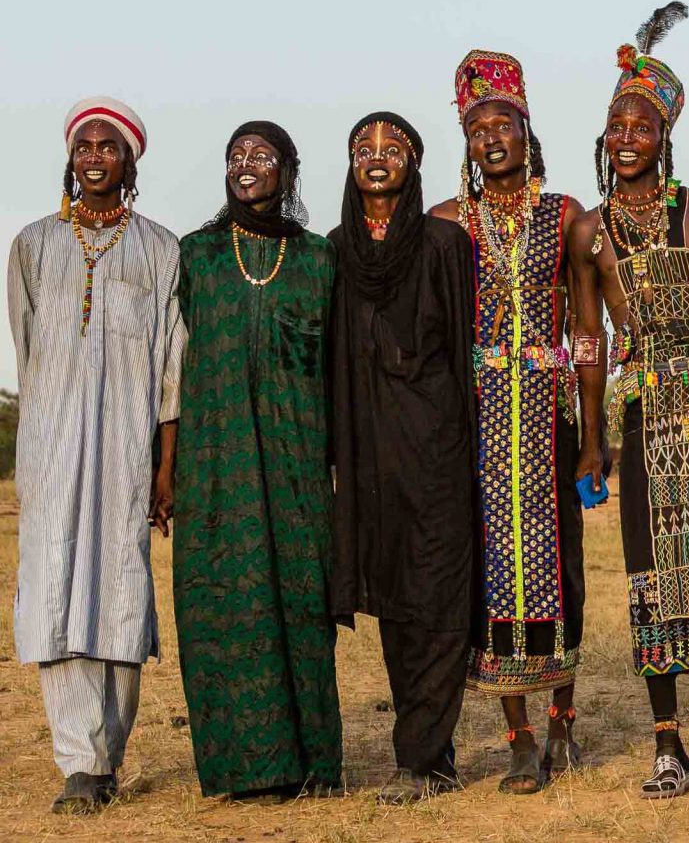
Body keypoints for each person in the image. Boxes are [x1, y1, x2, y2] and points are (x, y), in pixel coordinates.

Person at [582, 4, 689, 798]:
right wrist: (592, 439)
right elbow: (589, 343)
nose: (627, 137)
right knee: (652, 570)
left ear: (666, 137)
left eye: (642, 125)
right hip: (641, 411)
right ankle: (664, 742)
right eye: (616, 124)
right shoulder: (590, 234)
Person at [430, 50, 607, 794]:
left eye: (504, 123)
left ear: (527, 133)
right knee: (490, 575)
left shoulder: (566, 216)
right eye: (478, 128)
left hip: (550, 414)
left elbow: (590, 328)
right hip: (476, 420)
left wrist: (595, 438)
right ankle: (519, 738)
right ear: (467, 143)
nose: (492, 137)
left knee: (559, 567)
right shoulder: (445, 222)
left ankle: (563, 715)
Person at [9, 99, 182, 814]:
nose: (94, 156)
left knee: (118, 589)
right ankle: (78, 762)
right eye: (84, 144)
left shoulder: (161, 248)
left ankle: (107, 753)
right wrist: (50, 424)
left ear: (130, 161)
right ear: (70, 157)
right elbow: (27, 347)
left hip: (127, 452)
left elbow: (173, 366)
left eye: (108, 146)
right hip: (51, 446)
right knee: (55, 588)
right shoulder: (32, 243)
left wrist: (165, 467)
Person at [174, 121, 342, 799]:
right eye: (236, 156)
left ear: (289, 172)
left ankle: (314, 766)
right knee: (225, 604)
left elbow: (334, 366)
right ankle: (244, 770)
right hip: (215, 463)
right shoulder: (197, 254)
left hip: (299, 463)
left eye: (263, 156)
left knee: (301, 603)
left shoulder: (317, 259)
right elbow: (169, 363)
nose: (248, 166)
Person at [328, 111, 477, 804]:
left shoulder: (446, 244)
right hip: (369, 453)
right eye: (365, 148)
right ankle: (424, 752)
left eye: (393, 148)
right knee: (393, 598)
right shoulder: (334, 252)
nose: (377, 157)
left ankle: (425, 756)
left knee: (440, 597)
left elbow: (464, 353)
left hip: (438, 447)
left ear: (415, 164)